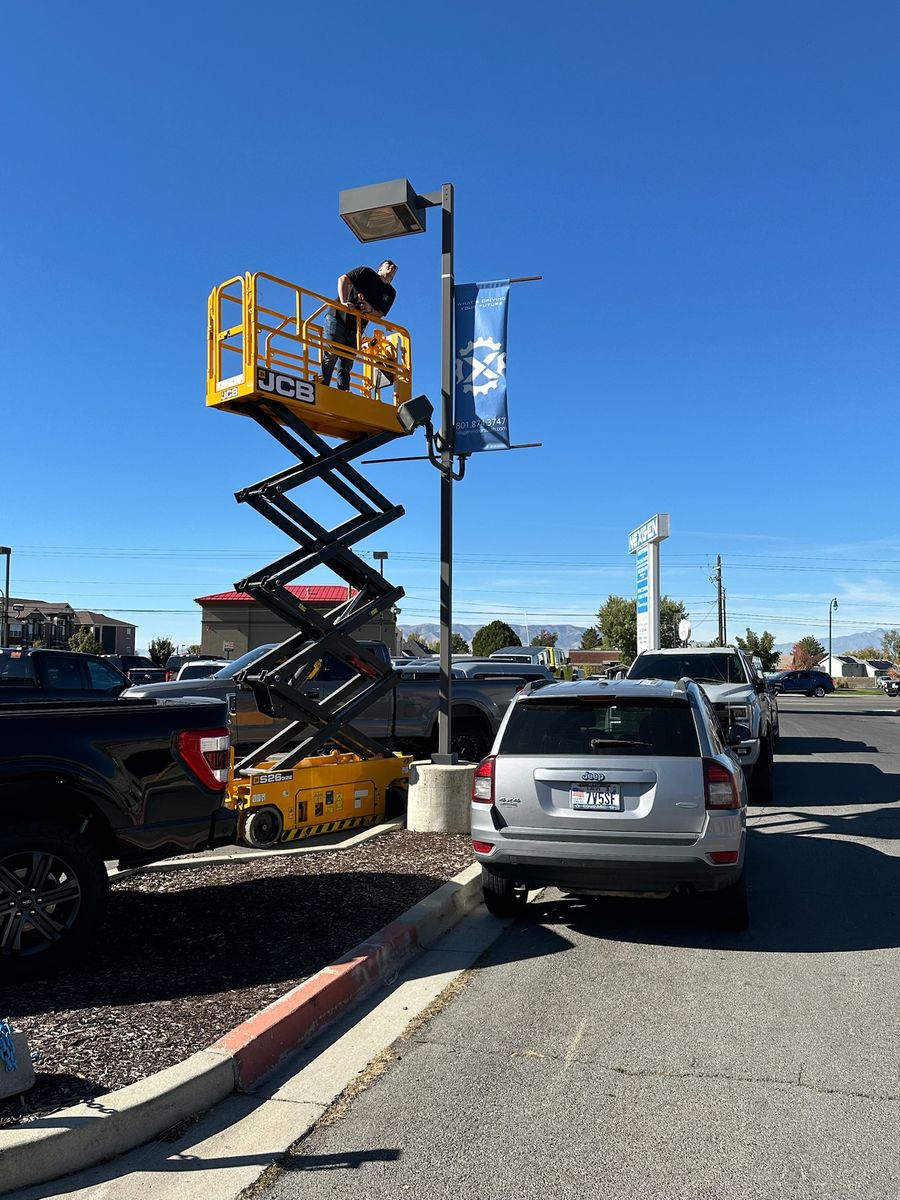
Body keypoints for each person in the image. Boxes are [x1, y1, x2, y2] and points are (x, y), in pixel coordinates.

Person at [320, 260, 398, 389]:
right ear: (380, 267)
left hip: (356, 328)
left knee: (346, 364)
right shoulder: (366, 272)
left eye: (395, 267)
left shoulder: (390, 292)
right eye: (388, 263)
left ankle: (343, 394)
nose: (392, 266)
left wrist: (370, 309)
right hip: (338, 318)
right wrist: (344, 302)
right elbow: (343, 279)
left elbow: (380, 313)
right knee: (331, 356)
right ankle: (322, 387)